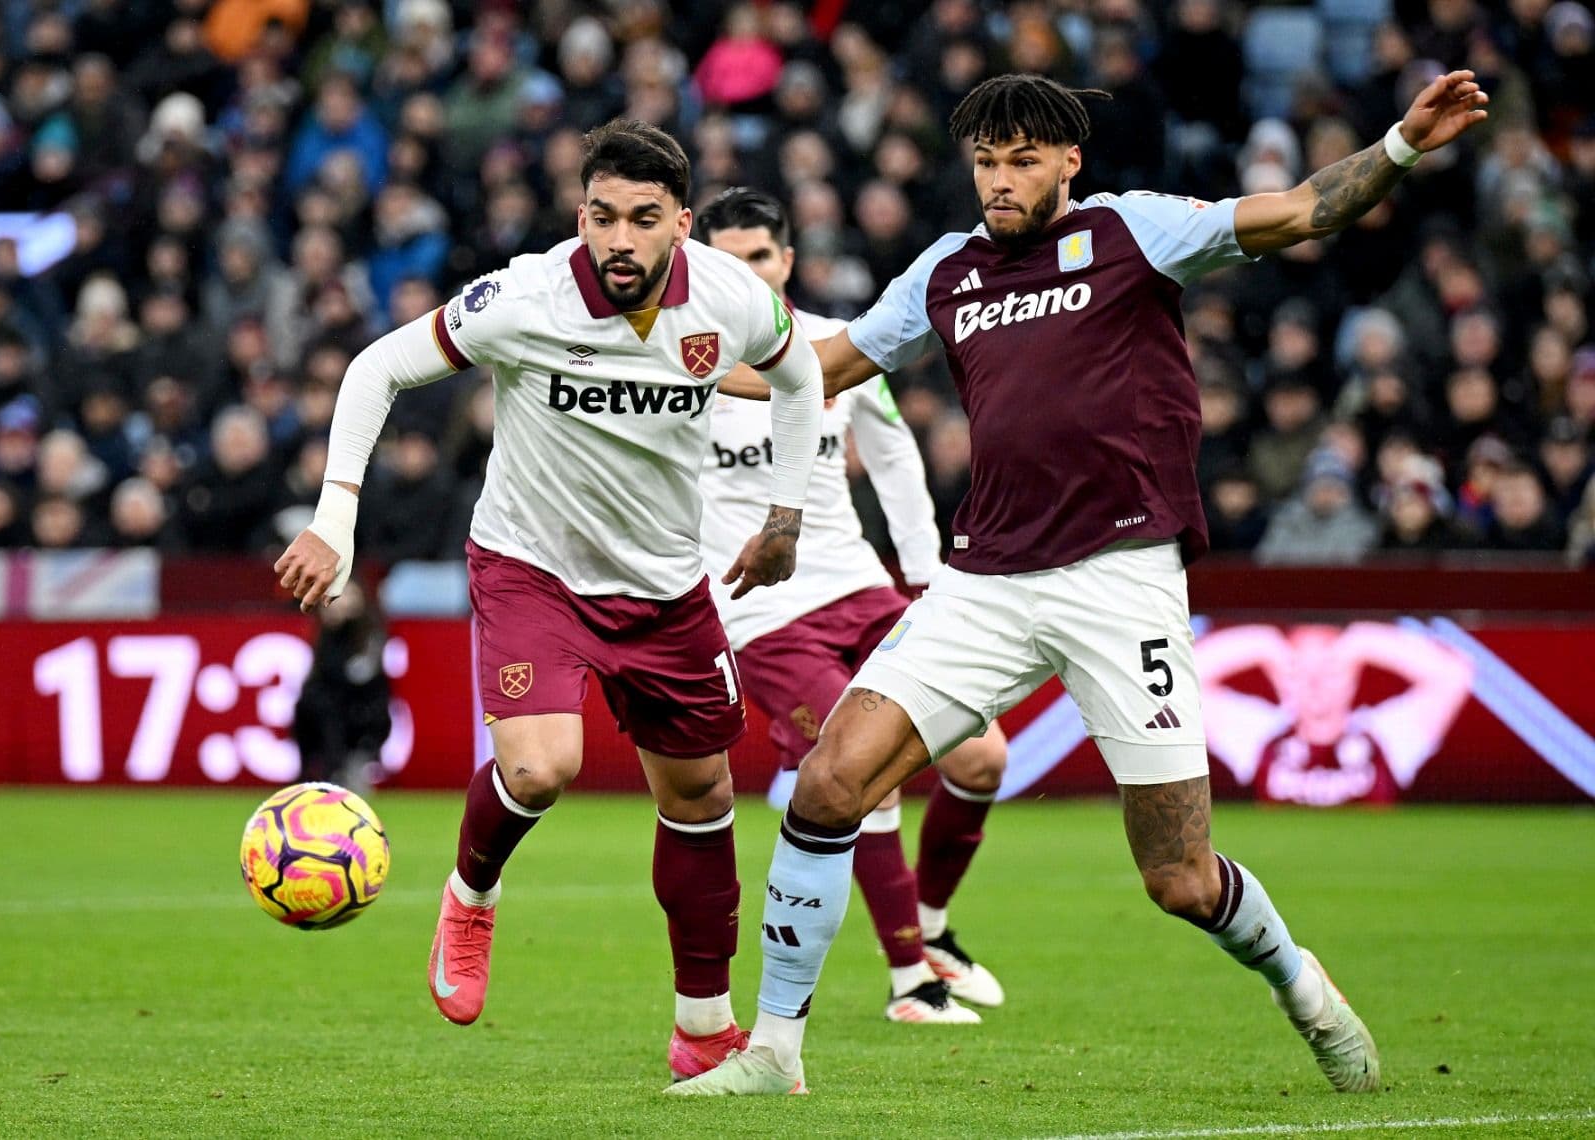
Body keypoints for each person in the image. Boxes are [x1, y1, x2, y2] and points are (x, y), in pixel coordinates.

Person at [670, 70, 1488, 1097]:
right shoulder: (948, 270)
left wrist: (1402, 146)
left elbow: (1297, 210)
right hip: (987, 580)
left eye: (1021, 159)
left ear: (1068, 161)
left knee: (1179, 880)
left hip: (1120, 579)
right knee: (832, 783)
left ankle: (1299, 984)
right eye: (984, 162)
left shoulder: (1131, 230)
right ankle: (773, 1055)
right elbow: (822, 364)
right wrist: (669, 359)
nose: (1000, 180)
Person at [273, 119, 825, 1081]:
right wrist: (336, 519)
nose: (619, 239)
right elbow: (377, 368)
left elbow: (800, 373)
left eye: (643, 220)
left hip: (664, 584)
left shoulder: (731, 298)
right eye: (602, 217)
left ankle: (702, 1028)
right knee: (540, 768)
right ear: (581, 215)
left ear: (681, 225)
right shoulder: (523, 296)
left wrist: (786, 514)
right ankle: (471, 896)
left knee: (700, 796)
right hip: (535, 570)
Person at [697, 187, 1008, 1026]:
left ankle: (933, 927)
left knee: (983, 759)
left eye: (758, 257)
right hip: (759, 614)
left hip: (861, 585)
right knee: (865, 780)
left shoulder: (836, 349)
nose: (744, 274)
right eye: (724, 262)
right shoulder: (677, 366)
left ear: (787, 262)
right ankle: (911, 981)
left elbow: (896, 458)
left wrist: (925, 574)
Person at [291, 574, 392, 790]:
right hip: (328, 711)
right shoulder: (325, 634)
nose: (341, 601)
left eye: (348, 594)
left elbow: (360, 677)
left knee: (332, 708)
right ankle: (312, 771)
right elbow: (320, 676)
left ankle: (347, 767)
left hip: (362, 711)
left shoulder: (371, 634)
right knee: (314, 703)